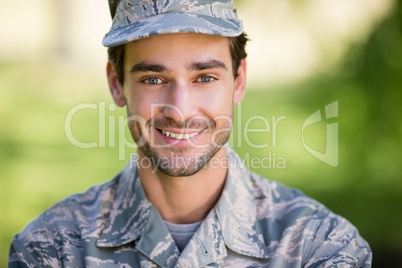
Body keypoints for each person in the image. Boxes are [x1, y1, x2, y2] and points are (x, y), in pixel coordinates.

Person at [9, 0, 372, 267]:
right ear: (117, 85)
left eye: (205, 78)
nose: (179, 109)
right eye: (153, 79)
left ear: (239, 80)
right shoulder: (52, 249)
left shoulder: (319, 247)